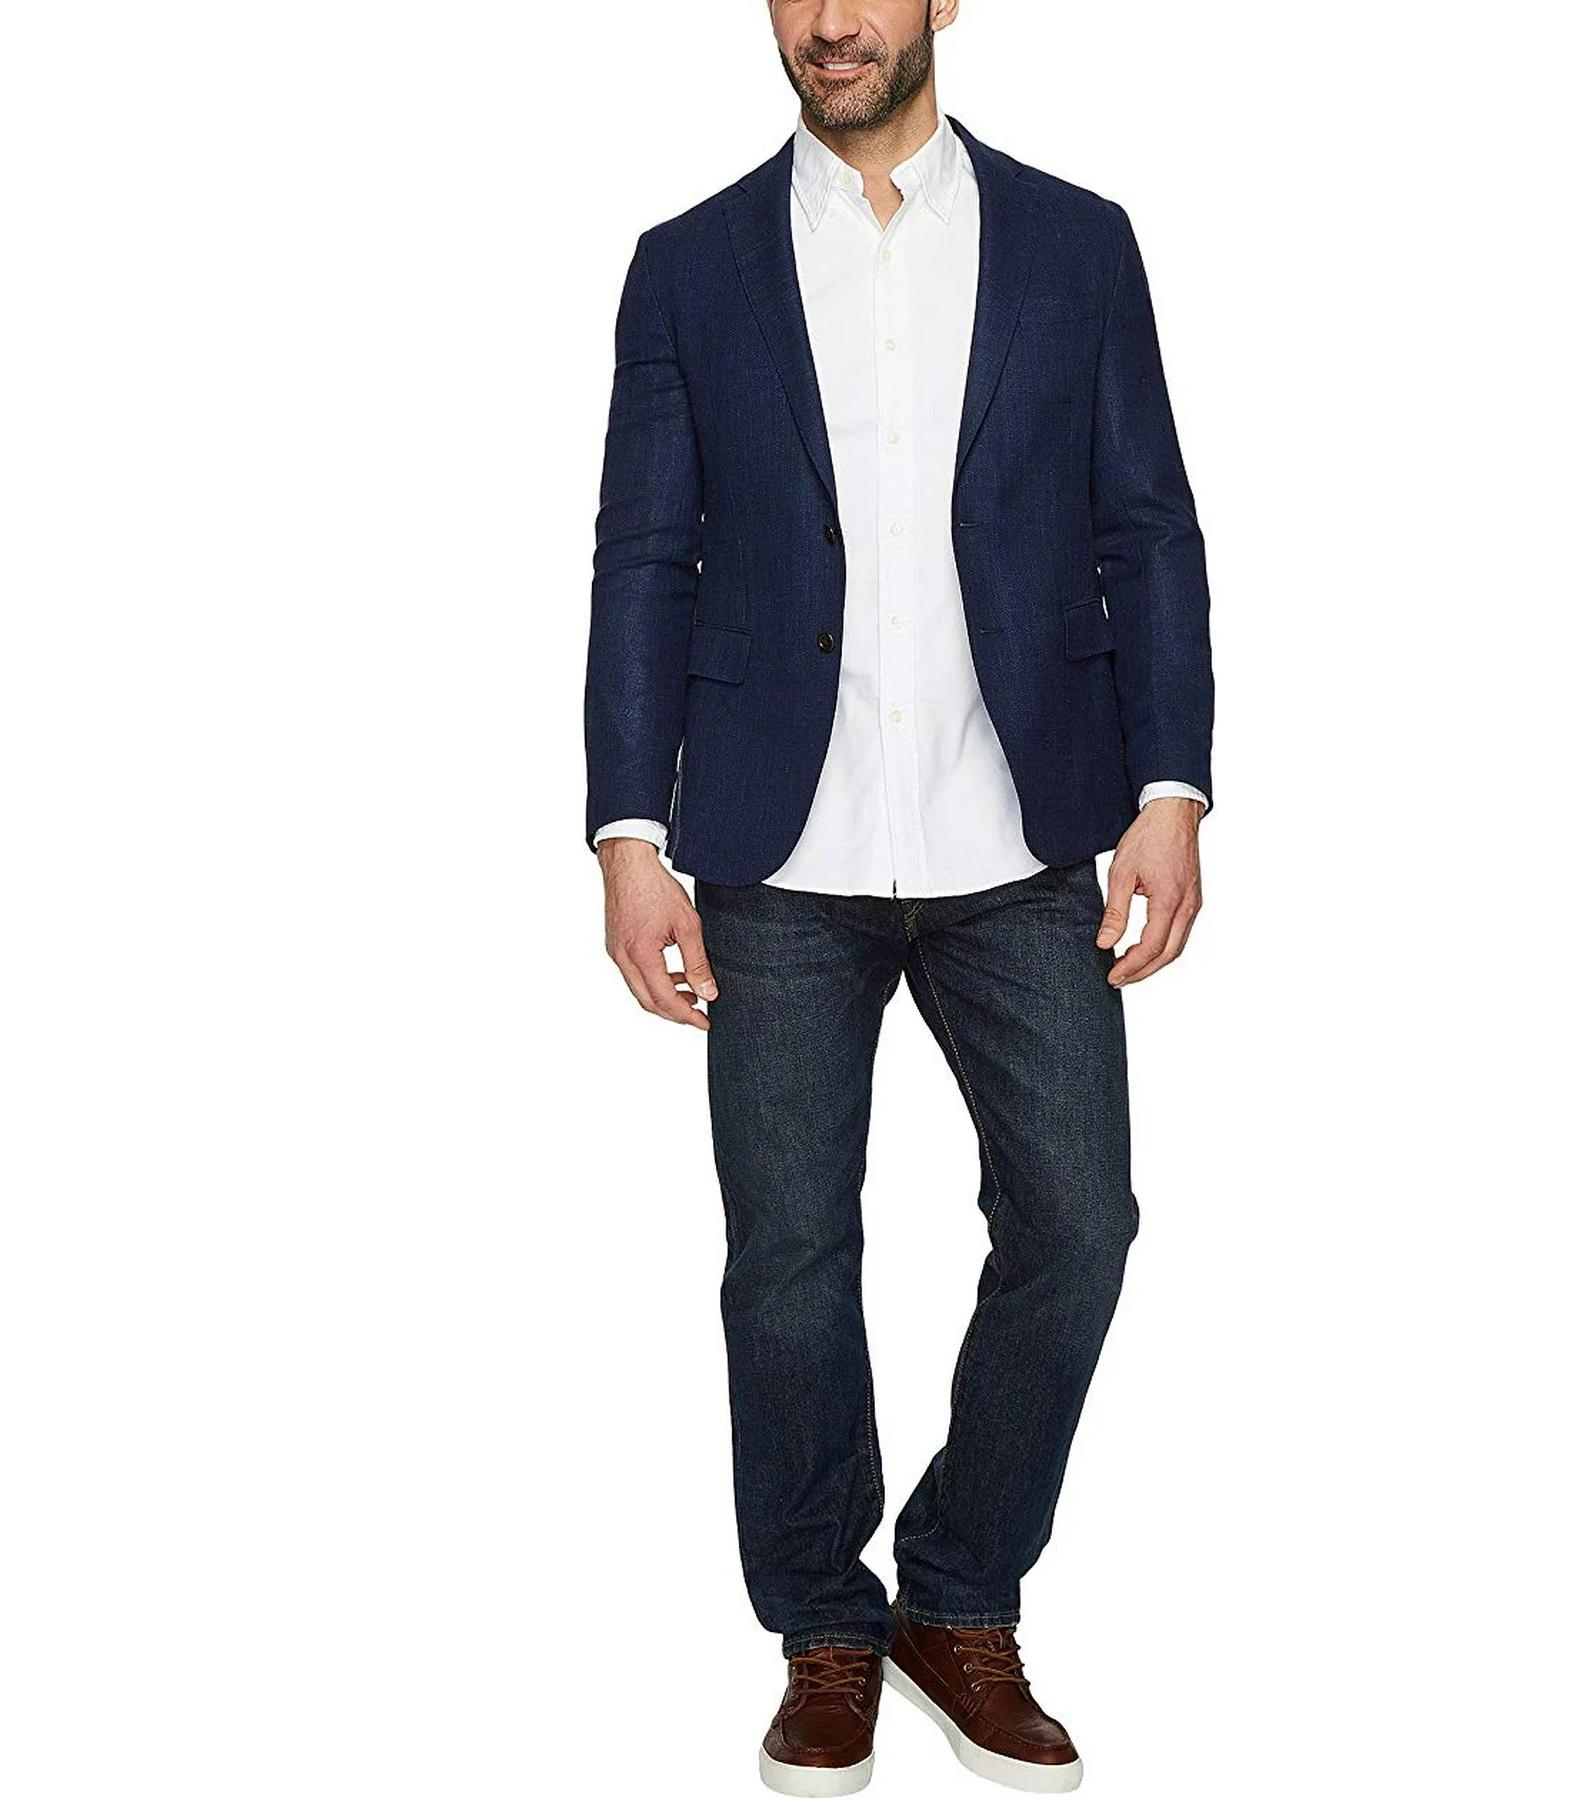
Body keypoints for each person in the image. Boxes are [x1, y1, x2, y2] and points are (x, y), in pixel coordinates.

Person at [584, 3, 1213, 1791]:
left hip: (1021, 835)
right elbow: (644, 552)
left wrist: (1170, 791)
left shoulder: (1077, 243)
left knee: (1080, 1223)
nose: (830, 20)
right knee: (788, 1259)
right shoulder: (688, 264)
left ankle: (955, 1589)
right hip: (776, 849)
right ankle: (823, 1627)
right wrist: (627, 830)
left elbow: (1147, 526)